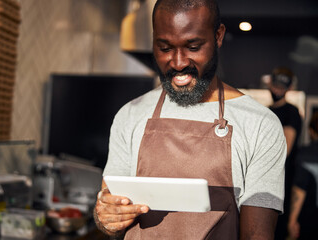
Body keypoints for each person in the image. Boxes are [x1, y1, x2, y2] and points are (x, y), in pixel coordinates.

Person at [94, 0, 286, 239]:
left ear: (218, 36)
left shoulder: (260, 125)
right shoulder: (130, 114)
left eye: (193, 47)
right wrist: (106, 218)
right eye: (164, 48)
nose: (178, 62)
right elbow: (110, 211)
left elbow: (257, 235)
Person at [268, 67, 303, 240]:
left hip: (282, 181)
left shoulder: (292, 112)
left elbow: (285, 149)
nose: (277, 90)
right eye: (275, 86)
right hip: (264, 179)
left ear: (289, 89)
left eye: (281, 87)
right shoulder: (266, 111)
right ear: (270, 83)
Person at [288, 112, 318, 240]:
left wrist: (292, 221)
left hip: (311, 222)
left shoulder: (306, 154)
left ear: (311, 131)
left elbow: (299, 189)